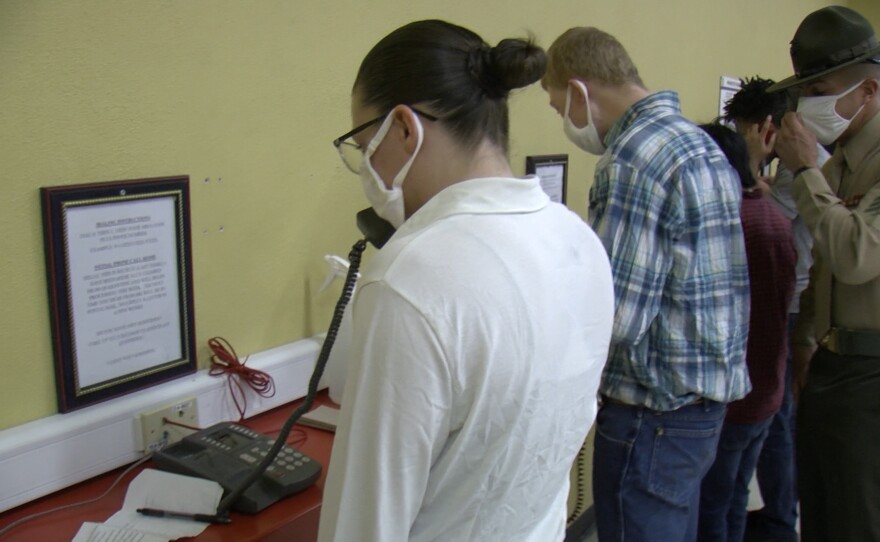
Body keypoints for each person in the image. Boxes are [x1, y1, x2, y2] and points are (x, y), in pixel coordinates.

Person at [318, 20, 615, 542]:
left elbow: (365, 519)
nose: (367, 169)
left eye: (364, 145)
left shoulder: (410, 280)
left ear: (405, 129)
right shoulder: (580, 241)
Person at [541, 27, 751, 542]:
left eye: (555, 106)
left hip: (652, 414)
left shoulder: (633, 158)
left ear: (579, 91)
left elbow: (616, 318)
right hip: (703, 408)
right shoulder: (697, 141)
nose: (562, 120)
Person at [768, 5, 880, 541]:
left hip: (872, 374)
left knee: (858, 518)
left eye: (822, 90)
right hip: (832, 366)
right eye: (805, 92)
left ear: (869, 91)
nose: (808, 105)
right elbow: (823, 264)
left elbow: (857, 253)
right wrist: (807, 338)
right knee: (820, 510)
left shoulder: (834, 166)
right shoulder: (839, 164)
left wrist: (805, 170)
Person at [722, 75, 831, 542]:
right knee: (772, 409)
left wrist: (750, 167)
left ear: (766, 127)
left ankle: (781, 520)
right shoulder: (784, 170)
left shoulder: (797, 169)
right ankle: (775, 515)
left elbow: (773, 224)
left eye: (749, 129)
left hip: (786, 303)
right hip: (782, 299)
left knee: (775, 413)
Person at [695, 123, 797, 542]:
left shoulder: (733, 223)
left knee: (712, 508)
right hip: (767, 389)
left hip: (735, 397)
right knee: (734, 496)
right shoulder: (772, 215)